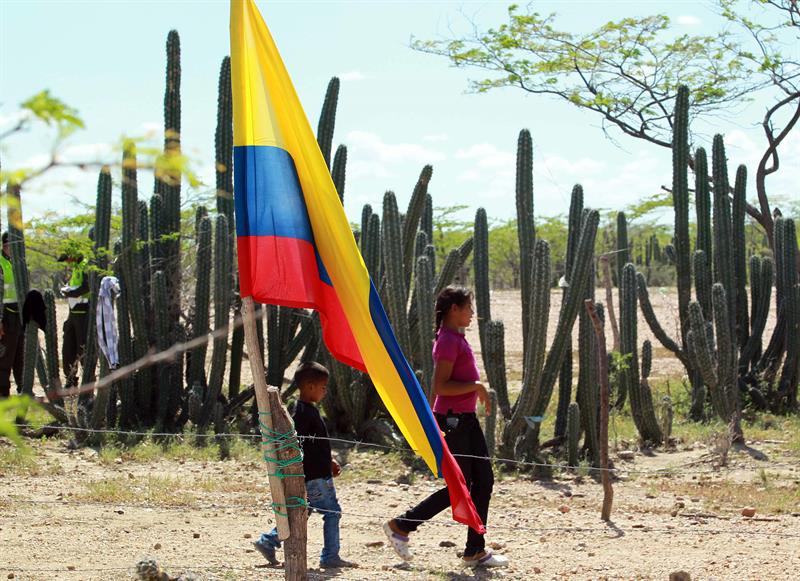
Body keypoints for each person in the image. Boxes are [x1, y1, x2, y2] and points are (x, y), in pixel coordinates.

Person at [383, 286, 508, 568]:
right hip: (454, 422)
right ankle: (402, 525)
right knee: (460, 485)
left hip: (465, 420)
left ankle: (475, 550)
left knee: (483, 482)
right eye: (468, 307)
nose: (472, 313)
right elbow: (440, 386)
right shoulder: (448, 341)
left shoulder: (455, 338)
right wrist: (476, 387)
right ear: (454, 309)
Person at [254, 362, 357, 570]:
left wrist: (329, 462)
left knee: (302, 511)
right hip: (315, 477)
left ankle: (268, 541)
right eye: (323, 386)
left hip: (316, 473)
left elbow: (314, 445)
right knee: (332, 512)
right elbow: (298, 444)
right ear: (310, 386)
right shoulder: (303, 413)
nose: (325, 391)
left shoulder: (306, 410)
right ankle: (330, 556)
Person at [58, 246, 90, 392]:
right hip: (72, 314)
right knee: (68, 349)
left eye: (68, 259)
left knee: (83, 349)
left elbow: (86, 287)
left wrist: (71, 293)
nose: (67, 263)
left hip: (84, 314)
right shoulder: (76, 268)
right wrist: (67, 290)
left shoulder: (86, 266)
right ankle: (70, 379)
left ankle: (88, 382)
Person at [0, 232, 24, 398]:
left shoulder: (19, 263)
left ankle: (23, 390)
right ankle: (3, 394)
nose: (11, 248)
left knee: (20, 356)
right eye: (8, 245)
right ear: (4, 245)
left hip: (21, 314)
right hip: (6, 314)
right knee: (5, 357)